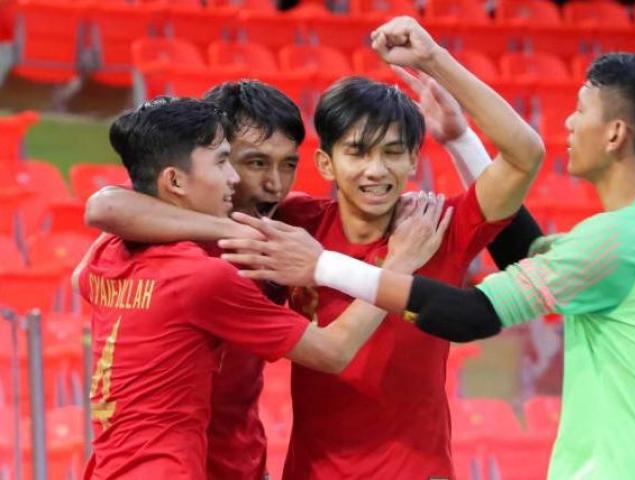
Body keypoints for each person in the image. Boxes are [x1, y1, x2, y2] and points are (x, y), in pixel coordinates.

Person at [228, 19, 635, 480]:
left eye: (393, 152)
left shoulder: (439, 228)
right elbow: (530, 254)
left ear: (414, 158)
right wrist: (458, 139)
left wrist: (435, 60)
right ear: (325, 163)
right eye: (358, 152)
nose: (376, 169)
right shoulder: (295, 223)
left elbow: (523, 161)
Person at [76, 96, 450, 479]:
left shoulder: (112, 251)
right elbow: (334, 351)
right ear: (179, 176)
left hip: (207, 464)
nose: (273, 183)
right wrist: (398, 266)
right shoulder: (197, 266)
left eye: (288, 164)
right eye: (244, 162)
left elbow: (92, 252)